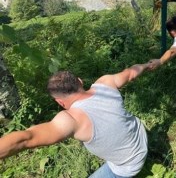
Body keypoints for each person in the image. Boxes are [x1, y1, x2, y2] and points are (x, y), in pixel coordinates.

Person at [0, 64, 152, 177]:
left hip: (129, 164)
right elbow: (131, 72)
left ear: (59, 102)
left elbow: (26, 139)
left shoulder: (71, 119)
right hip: (140, 134)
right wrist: (153, 63)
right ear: (80, 81)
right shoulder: (106, 83)